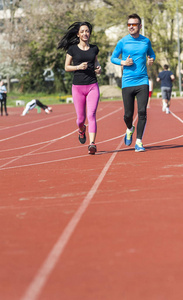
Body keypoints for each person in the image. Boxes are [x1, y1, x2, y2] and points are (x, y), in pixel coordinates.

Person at [111, 13, 155, 152]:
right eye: (129, 24)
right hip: (127, 82)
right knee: (127, 115)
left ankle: (139, 141)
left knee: (142, 112)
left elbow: (151, 54)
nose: (131, 27)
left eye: (134, 24)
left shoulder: (146, 41)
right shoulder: (123, 42)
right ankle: (130, 129)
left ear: (140, 26)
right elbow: (113, 58)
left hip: (142, 81)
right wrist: (123, 62)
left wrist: (151, 59)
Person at [57, 21, 101, 155]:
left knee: (91, 114)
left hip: (93, 85)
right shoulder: (72, 50)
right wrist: (78, 67)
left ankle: (92, 144)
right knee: (81, 119)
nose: (85, 33)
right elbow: (66, 67)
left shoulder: (94, 48)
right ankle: (81, 130)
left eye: (87, 31)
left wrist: (98, 69)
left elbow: (96, 63)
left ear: (90, 33)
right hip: (78, 87)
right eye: (82, 31)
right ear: (78, 34)